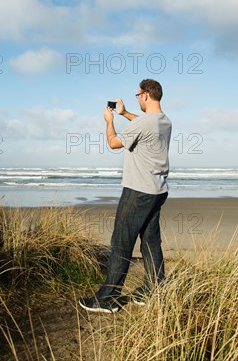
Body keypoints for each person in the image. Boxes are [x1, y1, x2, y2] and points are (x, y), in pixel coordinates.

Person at [79, 78, 172, 314]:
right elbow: (143, 123)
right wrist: (125, 113)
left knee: (121, 242)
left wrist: (109, 121)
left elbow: (113, 143)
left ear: (145, 96)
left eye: (137, 95)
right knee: (151, 241)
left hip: (138, 191)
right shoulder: (164, 121)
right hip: (157, 190)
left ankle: (107, 299)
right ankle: (155, 289)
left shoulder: (144, 124)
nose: (137, 98)